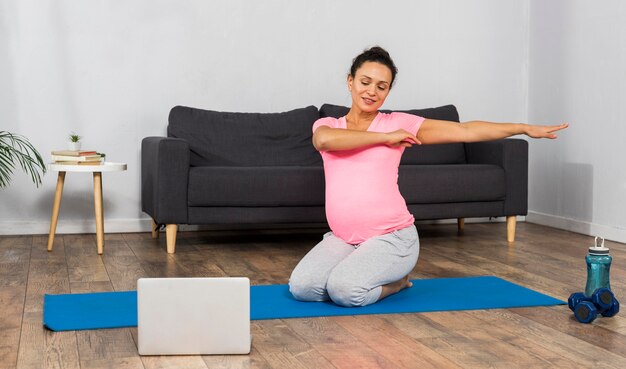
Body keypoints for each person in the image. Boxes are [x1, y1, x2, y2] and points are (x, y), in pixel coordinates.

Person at [288, 46, 568, 307]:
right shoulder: (329, 124)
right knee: (302, 287)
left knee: (345, 291)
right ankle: (359, 267)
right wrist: (384, 138)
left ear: (387, 92)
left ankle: (397, 283)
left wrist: (521, 127)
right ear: (350, 81)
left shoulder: (398, 123)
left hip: (392, 237)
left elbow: (466, 131)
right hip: (344, 238)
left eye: (381, 86)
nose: (372, 91)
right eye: (365, 82)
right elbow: (324, 141)